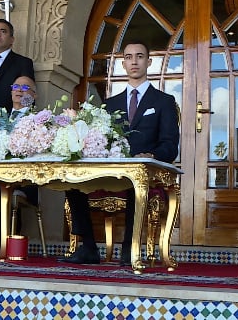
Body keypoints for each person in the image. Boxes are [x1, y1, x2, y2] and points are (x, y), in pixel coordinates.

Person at [62, 41, 179, 265]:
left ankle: (129, 248)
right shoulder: (110, 104)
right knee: (71, 182)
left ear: (149, 62)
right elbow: (101, 139)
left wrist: (151, 156)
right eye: (128, 57)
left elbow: (170, 144)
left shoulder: (164, 102)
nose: (134, 61)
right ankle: (88, 248)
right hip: (110, 169)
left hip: (142, 170)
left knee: (137, 183)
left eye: (139, 56)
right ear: (123, 64)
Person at [0, 75, 39, 256]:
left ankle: (2, 239)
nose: (18, 90)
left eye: (24, 87)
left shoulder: (39, 120)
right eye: (15, 86)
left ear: (34, 95)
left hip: (27, 177)